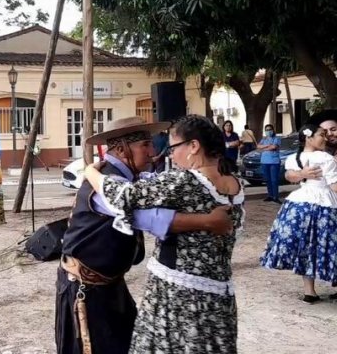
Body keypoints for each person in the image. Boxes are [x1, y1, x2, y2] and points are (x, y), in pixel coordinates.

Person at [55, 116, 234, 354]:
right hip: (85, 288)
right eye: (145, 145)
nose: (153, 152)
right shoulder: (104, 182)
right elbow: (146, 217)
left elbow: (157, 190)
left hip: (110, 284)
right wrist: (208, 222)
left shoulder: (132, 177)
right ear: (121, 149)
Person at [260, 124, 337, 303]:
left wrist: (301, 174)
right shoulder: (325, 157)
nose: (325, 138)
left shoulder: (295, 157)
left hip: (299, 204)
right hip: (324, 204)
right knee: (329, 244)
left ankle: (309, 291)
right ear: (309, 138)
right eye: (321, 135)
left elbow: (289, 175)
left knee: (306, 247)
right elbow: (334, 186)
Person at [285, 110, 337, 184]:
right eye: (324, 133)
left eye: (333, 129)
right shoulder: (314, 155)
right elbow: (289, 175)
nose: (329, 134)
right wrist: (302, 174)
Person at [257, 124, 282, 203]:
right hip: (264, 161)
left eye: (270, 129)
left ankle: (276, 196)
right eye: (267, 130)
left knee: (274, 180)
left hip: (274, 162)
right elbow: (258, 146)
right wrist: (268, 146)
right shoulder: (264, 139)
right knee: (267, 180)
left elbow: (274, 147)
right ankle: (270, 195)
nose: (268, 131)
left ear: (273, 130)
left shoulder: (276, 138)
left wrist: (264, 147)